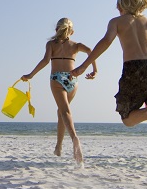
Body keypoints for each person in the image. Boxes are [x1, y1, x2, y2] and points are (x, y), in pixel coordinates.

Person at [72, 0, 147, 186]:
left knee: (127, 118)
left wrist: (84, 65)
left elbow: (105, 42)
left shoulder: (116, 22)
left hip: (133, 68)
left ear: (122, 5)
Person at [21, 18, 97, 164]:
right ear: (72, 31)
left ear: (57, 30)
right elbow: (91, 52)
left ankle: (74, 138)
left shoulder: (51, 44)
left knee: (65, 112)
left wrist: (30, 75)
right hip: (72, 79)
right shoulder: (76, 45)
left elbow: (45, 61)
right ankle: (59, 146)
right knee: (62, 111)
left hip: (57, 78)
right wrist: (94, 70)